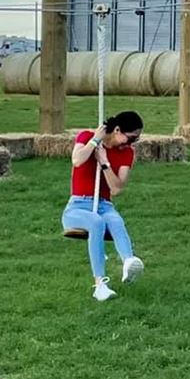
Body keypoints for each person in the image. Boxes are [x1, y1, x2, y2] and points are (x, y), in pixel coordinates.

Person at [63, 111, 145, 302]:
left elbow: (116, 188)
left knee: (115, 220)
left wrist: (105, 163)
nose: (131, 144)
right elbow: (77, 160)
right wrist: (94, 142)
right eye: (130, 138)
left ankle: (129, 262)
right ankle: (99, 285)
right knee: (96, 222)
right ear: (117, 130)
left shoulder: (127, 153)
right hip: (78, 206)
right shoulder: (87, 136)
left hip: (104, 204)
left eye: (136, 140)